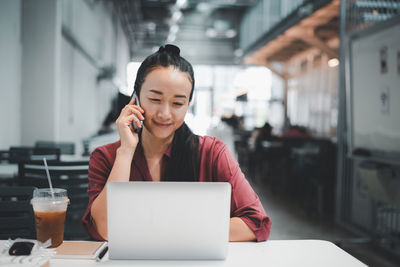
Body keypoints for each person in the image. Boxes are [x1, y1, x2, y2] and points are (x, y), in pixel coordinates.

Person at [81, 44, 271, 242]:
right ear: (135, 98)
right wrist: (126, 151)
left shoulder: (211, 153)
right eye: (155, 99)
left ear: (189, 104)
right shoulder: (107, 157)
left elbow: (256, 222)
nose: (165, 114)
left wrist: (166, 230)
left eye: (178, 103)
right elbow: (104, 229)